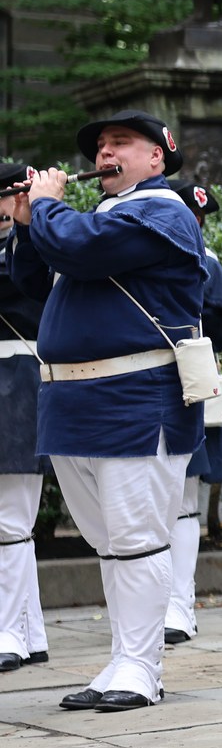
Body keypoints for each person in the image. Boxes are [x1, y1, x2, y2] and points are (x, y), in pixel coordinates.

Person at [5, 112, 206, 711]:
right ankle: (123, 658)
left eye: (120, 143)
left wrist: (44, 207)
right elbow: (33, 285)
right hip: (77, 399)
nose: (104, 152)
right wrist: (23, 227)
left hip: (136, 397)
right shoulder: (101, 218)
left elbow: (80, 248)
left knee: (138, 539)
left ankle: (142, 667)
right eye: (99, 146)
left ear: (157, 157)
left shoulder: (162, 210)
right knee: (110, 542)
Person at [164, 179, 222, 646]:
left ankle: (179, 605)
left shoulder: (206, 262)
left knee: (184, 502)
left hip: (187, 379)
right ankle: (169, 606)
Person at [0, 163, 50, 671]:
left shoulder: (32, 241)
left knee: (11, 521)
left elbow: (24, 286)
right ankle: (28, 632)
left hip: (15, 378)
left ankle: (9, 633)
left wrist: (23, 222)